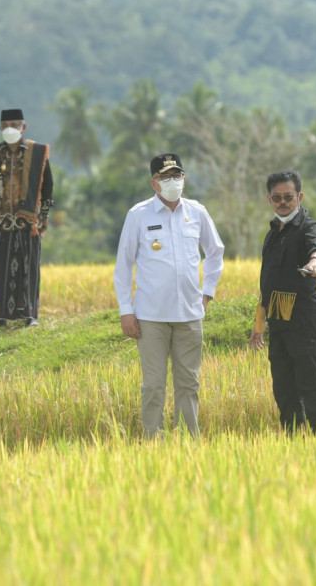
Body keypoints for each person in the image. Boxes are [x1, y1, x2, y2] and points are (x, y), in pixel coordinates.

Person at [114, 153, 225, 438]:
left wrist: (207, 293)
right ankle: (153, 438)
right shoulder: (138, 215)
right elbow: (123, 266)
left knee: (189, 382)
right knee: (153, 384)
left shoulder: (196, 212)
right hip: (150, 316)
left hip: (190, 314)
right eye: (165, 177)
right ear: (154, 183)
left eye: (177, 176)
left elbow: (215, 252)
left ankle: (188, 438)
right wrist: (126, 310)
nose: (173, 181)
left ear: (184, 178)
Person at [249, 169, 316, 433]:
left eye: (288, 197)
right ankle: (294, 443)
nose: (282, 202)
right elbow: (267, 286)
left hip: (304, 323)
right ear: (269, 199)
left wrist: (315, 261)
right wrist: (258, 327)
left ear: (300, 196)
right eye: (277, 198)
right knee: (283, 390)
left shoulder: (309, 227)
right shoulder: (272, 234)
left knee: (310, 388)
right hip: (279, 322)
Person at [0, 109, 54, 329]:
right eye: (5, 125)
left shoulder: (37, 153)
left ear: (24, 127)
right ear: (0, 128)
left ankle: (30, 314)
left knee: (29, 267)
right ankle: (0, 316)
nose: (9, 128)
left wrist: (44, 216)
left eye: (14, 124)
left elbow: (47, 185)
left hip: (29, 222)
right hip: (3, 223)